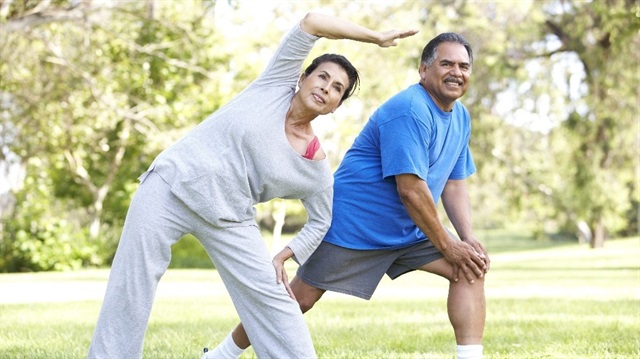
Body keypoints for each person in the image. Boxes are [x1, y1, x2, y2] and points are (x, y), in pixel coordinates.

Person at [86, 11, 417, 359]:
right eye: (322, 77)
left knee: (274, 297)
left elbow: (322, 219)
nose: (326, 87)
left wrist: (288, 254)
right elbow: (313, 21)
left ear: (336, 106)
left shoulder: (314, 167)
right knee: (132, 286)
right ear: (302, 78)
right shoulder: (274, 84)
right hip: (170, 186)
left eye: (337, 89)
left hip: (229, 218)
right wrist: (375, 37)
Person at [208, 32, 490, 359]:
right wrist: (448, 244)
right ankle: (220, 355)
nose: (456, 71)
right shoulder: (410, 110)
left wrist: (466, 240)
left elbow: (454, 182)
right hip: (352, 225)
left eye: (463, 66)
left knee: (470, 268)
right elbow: (411, 189)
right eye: (446, 63)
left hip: (409, 228)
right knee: (299, 300)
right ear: (423, 70)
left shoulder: (461, 117)